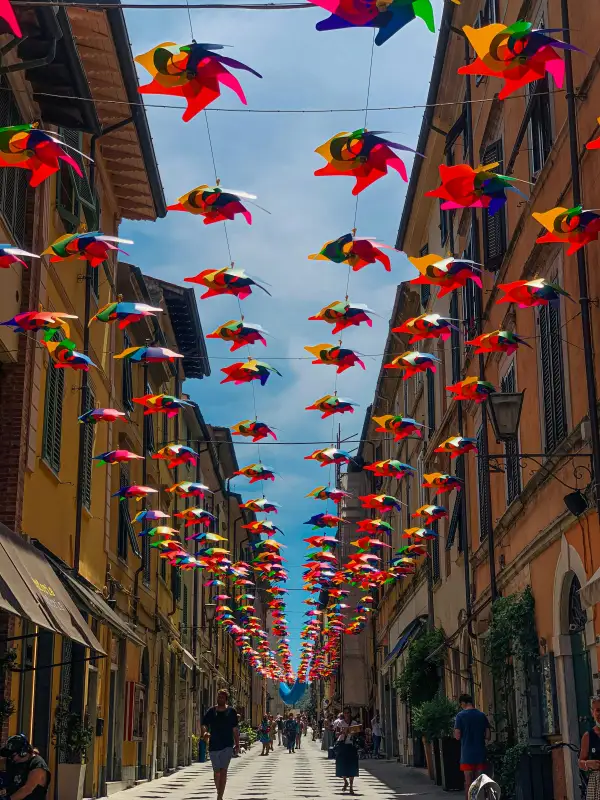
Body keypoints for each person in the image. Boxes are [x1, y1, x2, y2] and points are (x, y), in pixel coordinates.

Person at [202, 689, 240, 800]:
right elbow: (204, 723)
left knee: (223, 771)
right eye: (219, 697)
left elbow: (235, 729)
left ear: (226, 699)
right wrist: (204, 732)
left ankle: (219, 796)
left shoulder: (231, 712)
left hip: (227, 745)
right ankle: (219, 791)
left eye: (222, 697)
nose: (220, 699)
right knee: (216, 772)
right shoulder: (211, 711)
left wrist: (237, 744)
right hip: (214, 745)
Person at [454, 694, 491, 800]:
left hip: (467, 754)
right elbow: (488, 735)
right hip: (480, 753)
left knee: (469, 783)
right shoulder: (481, 715)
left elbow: (457, 736)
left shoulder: (460, 716)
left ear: (463, 703)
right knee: (480, 782)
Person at [0, 735, 50, 800]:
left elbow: (27, 789)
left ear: (23, 752)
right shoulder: (14, 762)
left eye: (12, 756)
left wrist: (7, 799)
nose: (10, 758)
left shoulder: (37, 764)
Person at [579, 695, 600, 799]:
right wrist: (588, 763)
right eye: (598, 710)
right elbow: (580, 763)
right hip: (596, 782)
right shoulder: (588, 736)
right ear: (592, 712)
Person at [335, 706, 360, 794]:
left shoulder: (354, 723)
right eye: (345, 713)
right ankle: (345, 781)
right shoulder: (340, 723)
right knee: (342, 766)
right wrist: (342, 732)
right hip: (342, 745)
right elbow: (336, 735)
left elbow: (357, 734)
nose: (347, 714)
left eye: (348, 712)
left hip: (351, 746)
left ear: (350, 713)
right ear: (343, 714)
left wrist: (353, 733)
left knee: (352, 767)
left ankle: (351, 787)